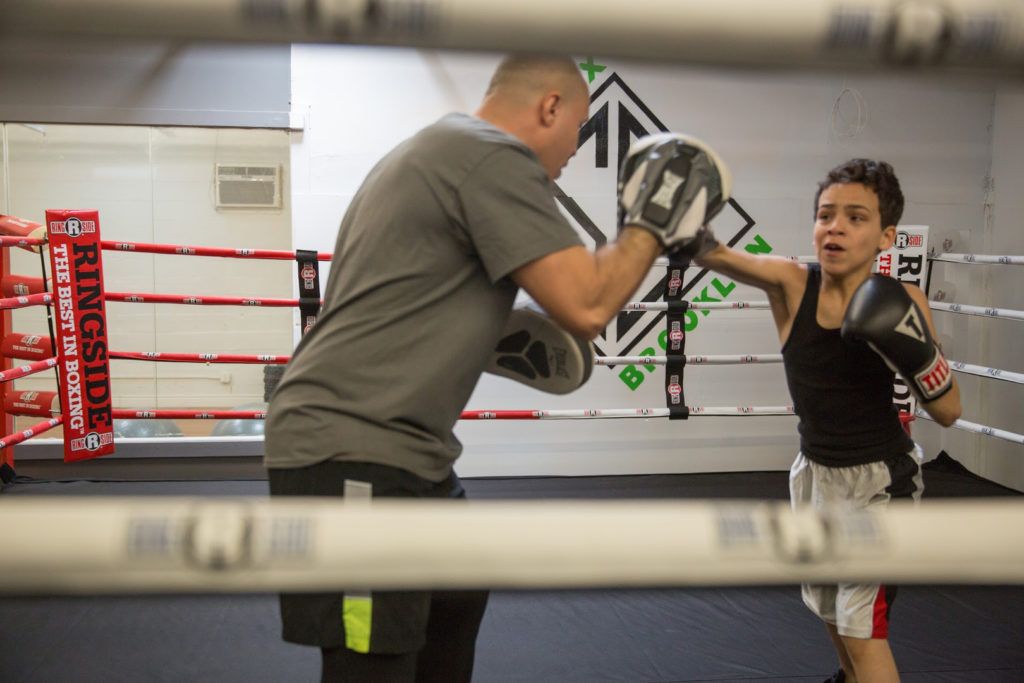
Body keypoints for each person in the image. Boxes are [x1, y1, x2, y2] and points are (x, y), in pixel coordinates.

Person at [264, 54, 729, 682]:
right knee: (375, 660)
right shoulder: (488, 156)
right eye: (580, 128)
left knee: (455, 599)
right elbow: (588, 304)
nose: (573, 149)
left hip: (410, 453)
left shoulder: (434, 152)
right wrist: (653, 218)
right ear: (551, 107)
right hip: (352, 444)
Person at [693, 158, 962, 683]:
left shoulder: (905, 300)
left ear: (886, 236)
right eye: (825, 214)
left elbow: (949, 411)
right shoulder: (792, 283)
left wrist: (913, 351)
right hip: (815, 473)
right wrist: (677, 221)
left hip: (881, 481)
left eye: (855, 217)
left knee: (864, 632)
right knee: (832, 614)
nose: (834, 226)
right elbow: (712, 253)